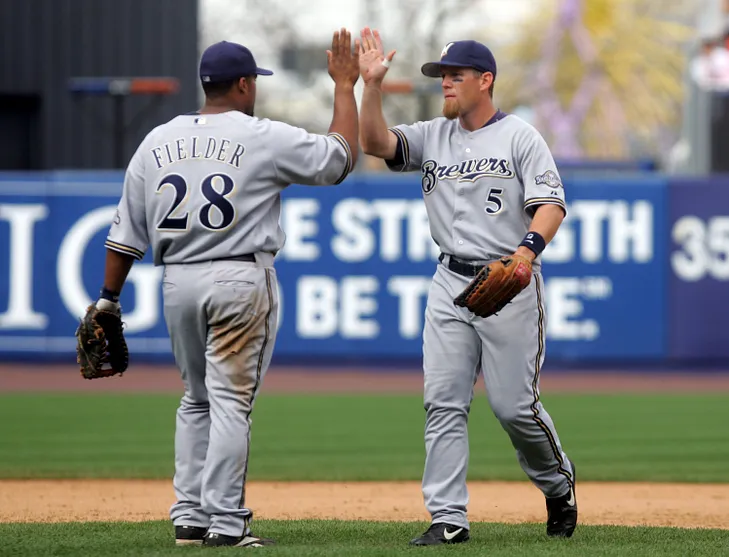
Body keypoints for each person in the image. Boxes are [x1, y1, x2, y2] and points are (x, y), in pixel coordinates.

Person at [96, 31, 360, 547]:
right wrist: (344, 87)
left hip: (177, 281)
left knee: (196, 400)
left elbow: (125, 233)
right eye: (253, 82)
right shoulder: (259, 134)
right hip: (238, 277)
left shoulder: (157, 139)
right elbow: (340, 159)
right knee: (231, 403)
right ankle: (226, 523)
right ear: (243, 84)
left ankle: (189, 517)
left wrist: (108, 298)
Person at [357, 28, 577, 546]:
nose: (446, 85)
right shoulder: (434, 134)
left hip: (509, 280)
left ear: (486, 80)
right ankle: (448, 518)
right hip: (450, 281)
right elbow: (374, 143)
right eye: (441, 76)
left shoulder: (520, 136)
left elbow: (551, 204)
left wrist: (526, 251)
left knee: (514, 408)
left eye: (455, 76)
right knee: (443, 401)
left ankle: (558, 485)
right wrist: (370, 86)